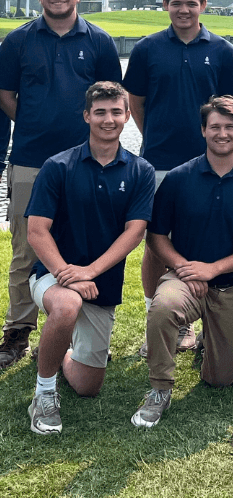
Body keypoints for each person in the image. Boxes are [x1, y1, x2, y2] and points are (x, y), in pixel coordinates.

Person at [0, 0, 122, 369]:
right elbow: (5, 94)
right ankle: (17, 331)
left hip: (86, 163)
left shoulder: (101, 42)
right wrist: (37, 121)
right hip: (31, 160)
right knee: (24, 247)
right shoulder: (17, 42)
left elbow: (111, 102)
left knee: (83, 241)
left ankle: (71, 326)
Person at [131, 96, 233, 428]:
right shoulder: (180, 178)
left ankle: (212, 343)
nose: (222, 133)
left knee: (220, 379)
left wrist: (213, 269)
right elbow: (156, 236)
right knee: (163, 305)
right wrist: (185, 267)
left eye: (230, 127)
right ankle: (159, 389)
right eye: (215, 126)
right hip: (186, 280)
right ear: (203, 130)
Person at [124, 0, 233, 358]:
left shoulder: (223, 51)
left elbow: (230, 111)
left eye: (191, 3)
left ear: (204, 6)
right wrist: (157, 134)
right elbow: (136, 104)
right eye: (176, 3)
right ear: (165, 6)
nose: (184, 10)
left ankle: (208, 322)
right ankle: (159, 321)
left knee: (206, 237)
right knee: (156, 244)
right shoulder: (146, 49)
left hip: (212, 163)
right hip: (158, 160)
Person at [25, 82, 155, 434]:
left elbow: (134, 232)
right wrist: (69, 274)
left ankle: (56, 348)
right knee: (66, 306)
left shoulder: (141, 171)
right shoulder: (58, 166)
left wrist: (91, 272)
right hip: (54, 275)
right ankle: (44, 395)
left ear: (127, 116)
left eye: (116, 112)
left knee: (88, 386)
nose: (108, 119)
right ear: (86, 116)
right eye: (100, 112)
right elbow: (37, 231)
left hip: (100, 284)